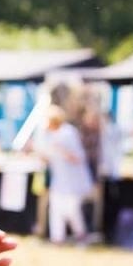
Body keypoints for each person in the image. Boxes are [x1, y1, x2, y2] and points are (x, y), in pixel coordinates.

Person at [39, 105, 94, 244]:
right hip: (59, 180)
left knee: (71, 209)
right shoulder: (50, 135)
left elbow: (78, 157)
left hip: (73, 180)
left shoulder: (68, 133)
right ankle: (57, 238)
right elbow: (48, 157)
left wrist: (61, 151)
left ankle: (81, 235)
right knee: (56, 208)